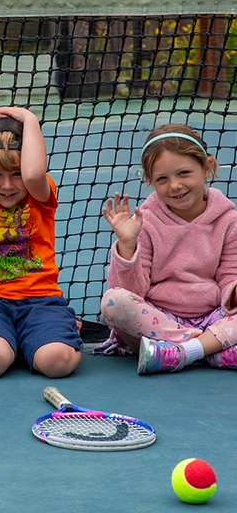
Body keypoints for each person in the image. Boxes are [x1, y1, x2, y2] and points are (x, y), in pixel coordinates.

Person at [0, 106, 82, 378]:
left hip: (41, 301)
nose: (7, 185)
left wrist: (30, 119)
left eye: (16, 174)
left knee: (57, 362)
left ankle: (35, 337)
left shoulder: (40, 195)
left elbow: (34, 175)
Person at [99, 123, 237, 374]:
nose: (174, 186)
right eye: (162, 179)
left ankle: (180, 353)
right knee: (113, 301)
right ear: (150, 181)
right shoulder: (146, 222)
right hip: (159, 319)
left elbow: (229, 274)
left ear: (207, 167)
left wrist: (234, 291)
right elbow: (131, 291)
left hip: (213, 316)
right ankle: (209, 349)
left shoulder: (228, 219)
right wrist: (128, 245)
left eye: (184, 173)